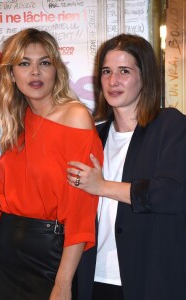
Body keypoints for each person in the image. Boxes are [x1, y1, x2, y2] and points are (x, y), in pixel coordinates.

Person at [67, 33, 186, 300]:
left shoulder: (170, 125)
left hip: (151, 280)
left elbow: (173, 193)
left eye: (124, 71)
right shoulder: (94, 136)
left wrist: (102, 187)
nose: (113, 81)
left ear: (146, 76)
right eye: (107, 71)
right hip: (93, 278)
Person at [0, 28, 103, 300]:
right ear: (12, 75)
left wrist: (63, 284)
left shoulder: (75, 117)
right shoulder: (15, 123)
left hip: (51, 256)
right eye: (24, 63)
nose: (35, 72)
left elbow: (80, 211)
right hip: (5, 254)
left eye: (44, 63)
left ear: (56, 71)